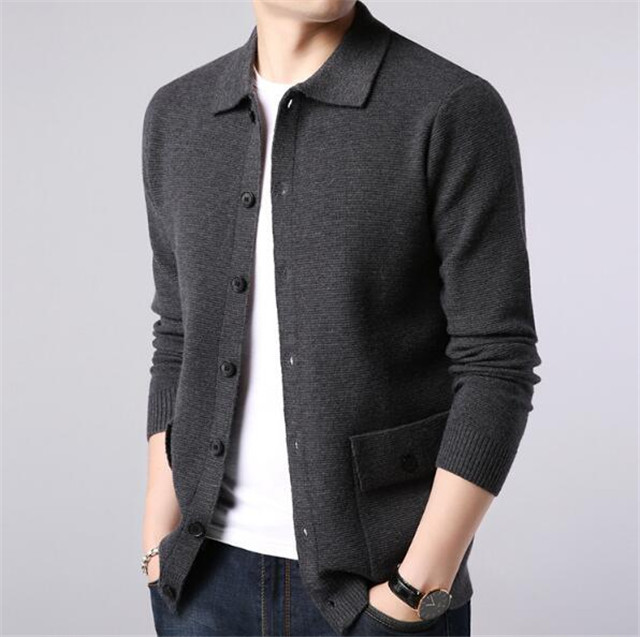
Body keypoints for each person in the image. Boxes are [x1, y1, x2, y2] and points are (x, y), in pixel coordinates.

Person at [140, 1, 542, 635]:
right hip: (200, 579)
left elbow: (498, 362)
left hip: (380, 589)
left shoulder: (448, 108)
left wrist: (416, 588)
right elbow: (179, 333)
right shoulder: (178, 114)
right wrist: (157, 537)